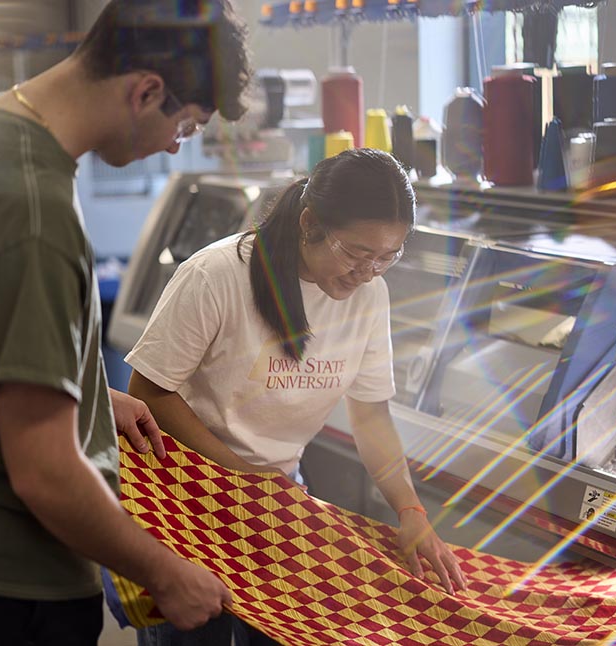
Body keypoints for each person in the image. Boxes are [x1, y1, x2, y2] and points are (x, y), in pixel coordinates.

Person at [0, 1, 251, 644]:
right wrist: (165, 572)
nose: (175, 145)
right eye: (185, 125)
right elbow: (44, 471)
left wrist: (90, 396)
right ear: (146, 91)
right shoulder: (35, 210)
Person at [125, 148, 469, 646]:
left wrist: (411, 511)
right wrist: (247, 476)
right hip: (189, 493)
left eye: (387, 256)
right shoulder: (218, 275)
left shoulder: (370, 297)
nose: (368, 271)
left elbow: (370, 417)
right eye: (354, 253)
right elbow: (149, 392)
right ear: (309, 223)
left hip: (277, 501)